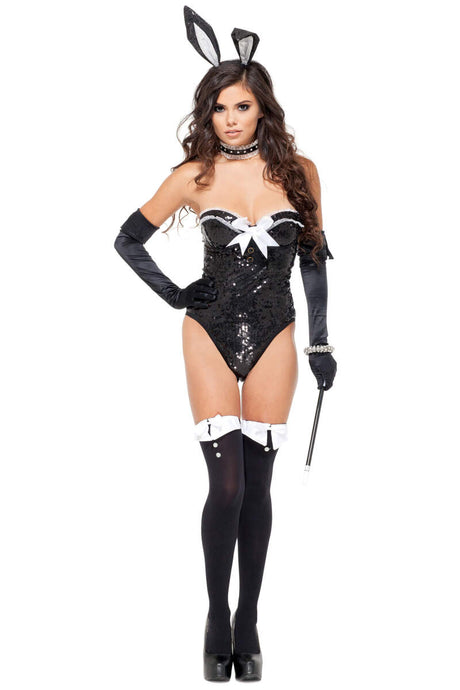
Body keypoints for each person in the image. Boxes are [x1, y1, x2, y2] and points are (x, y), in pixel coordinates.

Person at [114, 6, 337, 682]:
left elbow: (313, 260)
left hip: (276, 330)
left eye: (241, 105)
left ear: (262, 107)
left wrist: (320, 345)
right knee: (228, 484)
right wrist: (178, 294)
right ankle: (216, 615)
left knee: (259, 486)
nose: (230, 118)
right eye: (218, 108)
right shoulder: (194, 175)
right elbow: (128, 239)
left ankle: (249, 618)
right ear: (206, 114)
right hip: (207, 330)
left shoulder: (301, 171)